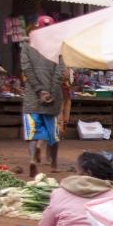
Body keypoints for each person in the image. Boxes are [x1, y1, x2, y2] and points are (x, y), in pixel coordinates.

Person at [21, 16, 65, 177]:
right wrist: (50, 92)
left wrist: (40, 91)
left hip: (33, 95)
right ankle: (53, 164)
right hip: (52, 97)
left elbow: (27, 69)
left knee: (32, 131)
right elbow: (60, 72)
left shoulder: (26, 46)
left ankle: (33, 158)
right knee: (53, 132)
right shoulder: (57, 46)